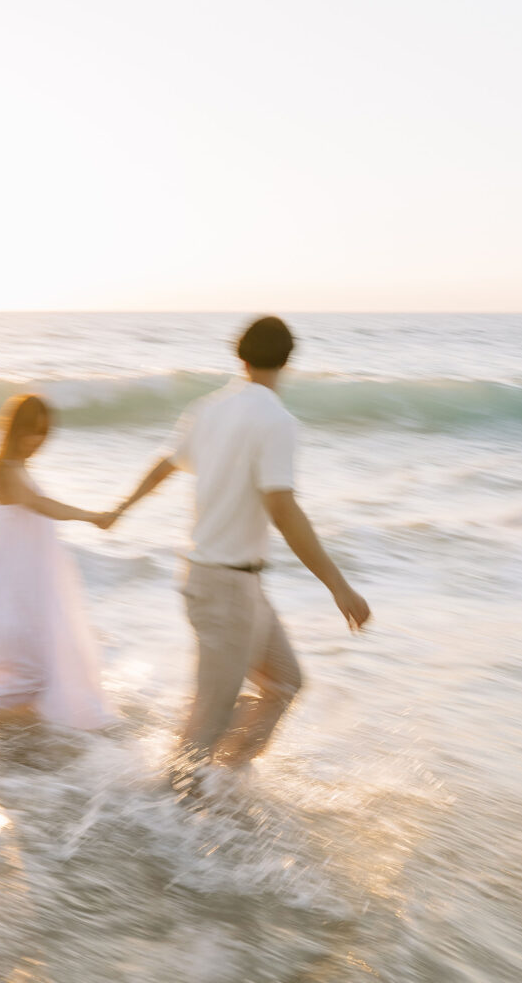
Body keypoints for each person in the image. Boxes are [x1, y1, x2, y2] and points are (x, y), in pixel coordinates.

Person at [108, 316, 370, 777]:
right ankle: (171, 809)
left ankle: (222, 783)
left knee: (285, 683)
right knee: (206, 724)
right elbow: (283, 510)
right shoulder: (275, 419)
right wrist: (338, 587)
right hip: (225, 585)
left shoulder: (208, 408)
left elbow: (164, 465)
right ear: (288, 361)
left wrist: (120, 509)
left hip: (230, 583)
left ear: (240, 355)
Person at [0, 394, 113, 729]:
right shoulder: (9, 473)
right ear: (15, 430)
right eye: (31, 431)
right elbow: (41, 504)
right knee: (30, 673)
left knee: (35, 671)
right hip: (14, 595)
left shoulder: (16, 469)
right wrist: (92, 516)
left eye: (43, 433)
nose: (37, 440)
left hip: (25, 591)